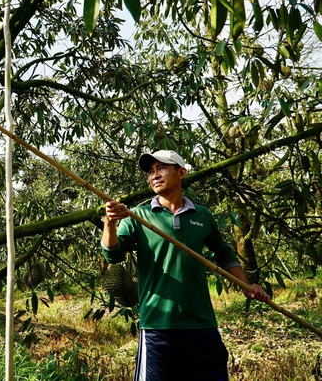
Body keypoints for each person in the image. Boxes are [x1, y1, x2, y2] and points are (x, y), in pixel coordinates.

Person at [101, 150, 270, 381]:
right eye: (151, 172)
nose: (154, 175)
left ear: (181, 172)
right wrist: (109, 224)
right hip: (158, 324)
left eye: (161, 168)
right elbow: (113, 255)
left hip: (201, 322)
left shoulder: (202, 215)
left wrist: (246, 285)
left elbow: (224, 253)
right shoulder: (138, 216)